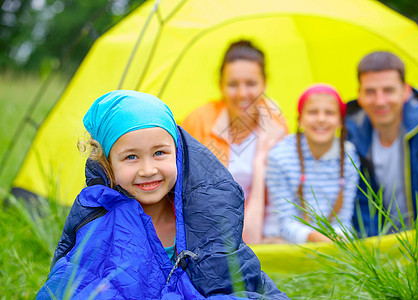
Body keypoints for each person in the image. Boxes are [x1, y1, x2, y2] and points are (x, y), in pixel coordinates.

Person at [37, 90, 288, 299]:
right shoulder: (97, 221)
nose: (148, 170)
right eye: (131, 157)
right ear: (107, 162)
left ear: (177, 152)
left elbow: (241, 278)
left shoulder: (205, 214)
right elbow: (76, 284)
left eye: (160, 153)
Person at [182, 40, 288, 244]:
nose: (242, 94)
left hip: (264, 238)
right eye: (232, 85)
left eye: (251, 84)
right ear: (221, 85)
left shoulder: (277, 126)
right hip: (209, 239)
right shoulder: (198, 122)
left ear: (264, 84)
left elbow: (282, 192)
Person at [346, 51, 418, 237]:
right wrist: (377, 255)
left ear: (405, 91)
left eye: (388, 90)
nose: (380, 101)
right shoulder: (352, 133)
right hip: (381, 248)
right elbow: (359, 202)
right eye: (370, 92)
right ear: (359, 96)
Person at [265, 84, 360, 243]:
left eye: (329, 113)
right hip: (285, 242)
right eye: (312, 112)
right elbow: (286, 221)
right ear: (300, 119)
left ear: (340, 122)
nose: (321, 119)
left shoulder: (349, 155)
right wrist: (316, 238)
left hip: (333, 242)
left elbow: (344, 220)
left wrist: (338, 238)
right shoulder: (280, 156)